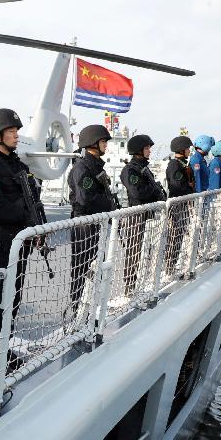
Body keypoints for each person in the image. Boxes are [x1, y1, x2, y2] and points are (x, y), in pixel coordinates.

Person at [0, 108, 43, 371]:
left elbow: (35, 201)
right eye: (11, 132)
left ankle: (3, 347)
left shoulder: (20, 167)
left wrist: (39, 227)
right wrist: (26, 216)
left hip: (20, 243)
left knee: (12, 300)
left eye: (16, 131)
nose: (16, 136)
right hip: (0, 243)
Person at [67, 124, 118, 309]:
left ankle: (91, 307)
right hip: (84, 224)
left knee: (97, 267)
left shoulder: (94, 166)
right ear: (92, 143)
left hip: (96, 223)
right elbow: (86, 198)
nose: (106, 145)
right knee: (81, 269)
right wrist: (109, 205)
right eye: (103, 141)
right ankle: (75, 309)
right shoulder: (82, 167)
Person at [120, 134, 166, 295]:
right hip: (136, 215)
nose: (149, 151)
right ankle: (130, 287)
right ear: (138, 150)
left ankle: (143, 282)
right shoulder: (130, 170)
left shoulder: (144, 169)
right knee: (134, 251)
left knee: (147, 249)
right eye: (147, 148)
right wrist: (153, 189)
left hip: (148, 214)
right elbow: (136, 192)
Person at [164, 136, 196, 274]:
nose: (189, 150)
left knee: (180, 234)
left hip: (183, 204)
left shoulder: (183, 164)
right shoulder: (175, 165)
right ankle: (169, 265)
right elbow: (177, 186)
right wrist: (189, 187)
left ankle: (173, 263)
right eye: (188, 148)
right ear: (181, 149)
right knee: (175, 234)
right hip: (177, 204)